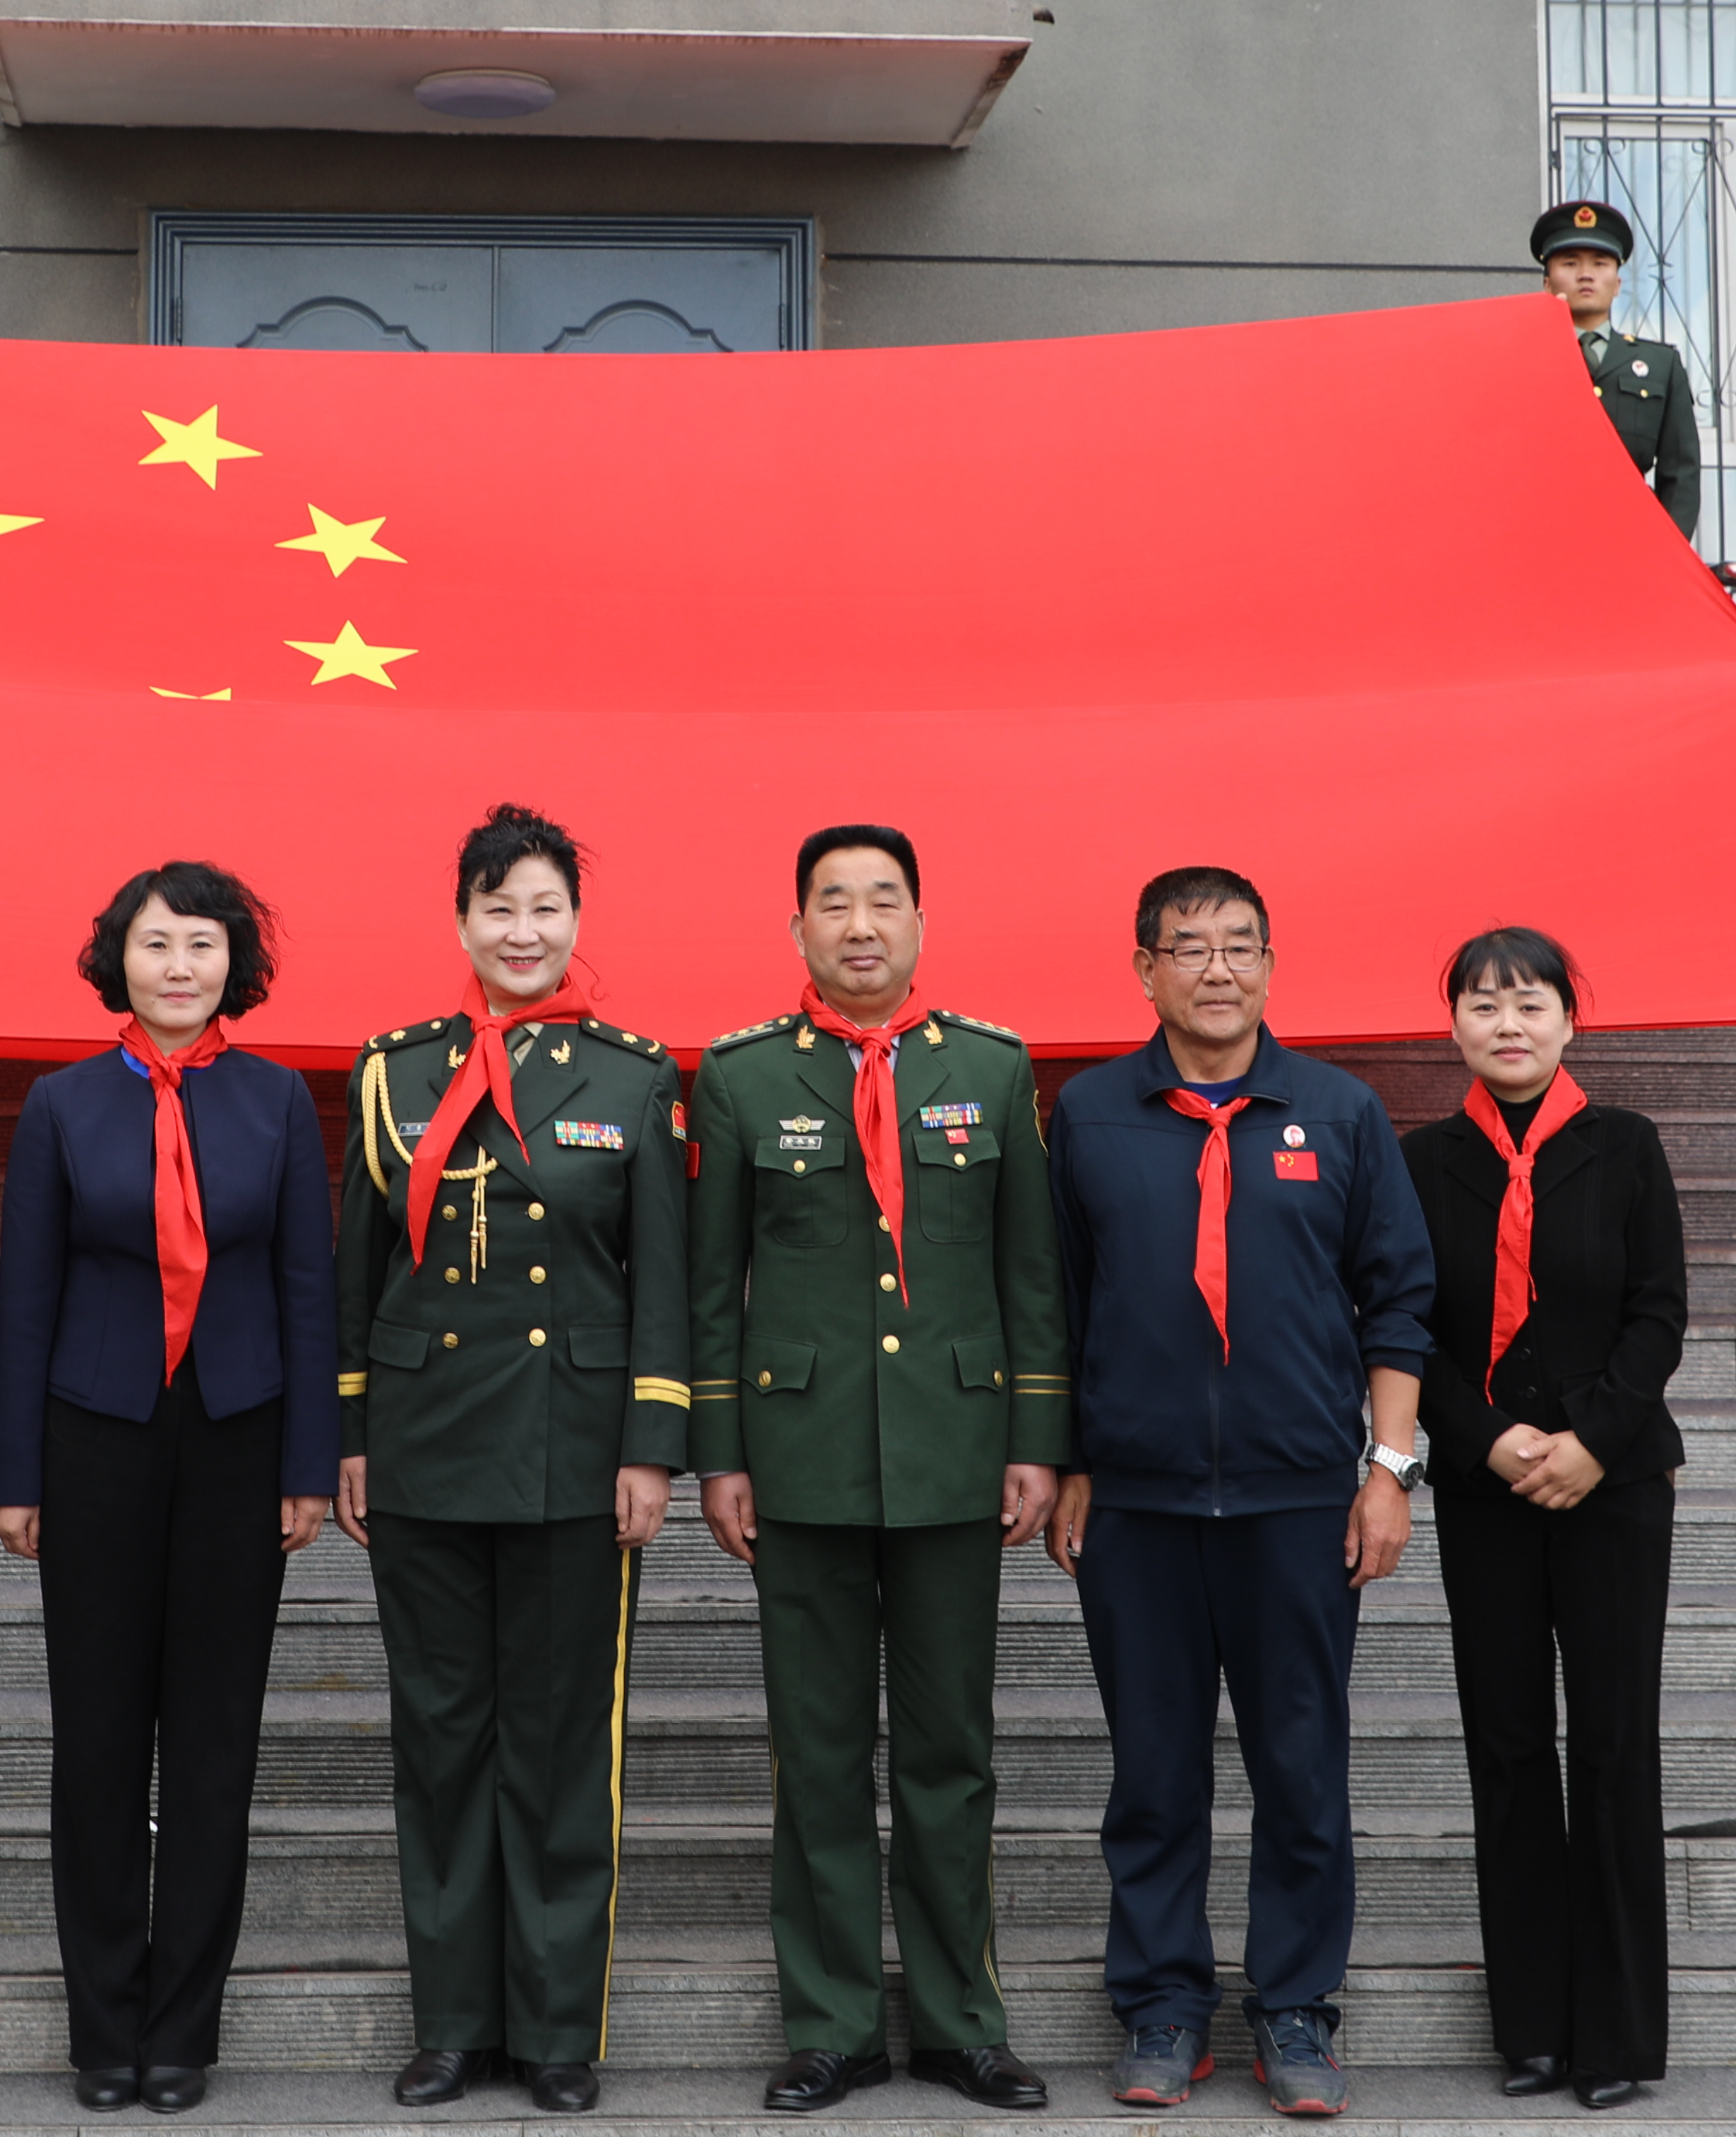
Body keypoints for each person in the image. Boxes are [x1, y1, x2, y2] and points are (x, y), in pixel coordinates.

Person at [686, 824, 1071, 2117]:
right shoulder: (739, 1078)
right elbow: (709, 1290)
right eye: (834, 904)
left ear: (921, 922)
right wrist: (720, 1455)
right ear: (795, 930)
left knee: (952, 1753)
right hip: (797, 1461)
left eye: (885, 902)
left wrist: (1034, 1439)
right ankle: (836, 2027)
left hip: (959, 1456)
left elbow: (1030, 1272)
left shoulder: (993, 1066)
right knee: (821, 1747)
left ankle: (964, 2023)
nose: (861, 925)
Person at [1043, 867, 1435, 2121]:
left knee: (1302, 1768)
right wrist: (1070, 1464)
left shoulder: (1341, 1111)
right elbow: (1058, 1301)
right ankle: (1162, 2006)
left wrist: (1386, 1472)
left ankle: (1296, 2009)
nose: (1217, 970)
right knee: (1154, 1771)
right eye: (1189, 948)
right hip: (1139, 1508)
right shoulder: (1093, 1114)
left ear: (1272, 965)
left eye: (1240, 947)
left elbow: (1401, 1302)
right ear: (1143, 967)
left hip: (1298, 1501)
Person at [337, 805, 690, 2117]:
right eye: (499, 910)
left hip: (572, 1452)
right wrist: (355, 1432)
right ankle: (452, 2026)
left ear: (576, 923)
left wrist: (655, 1445)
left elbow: (668, 1282)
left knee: (555, 1747)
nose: (523, 932)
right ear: (463, 924)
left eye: (544, 908)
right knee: (441, 1740)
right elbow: (355, 1273)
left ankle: (554, 2033)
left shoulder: (635, 1077)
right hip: (428, 1446)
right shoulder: (394, 1073)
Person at [0, 861, 339, 2114]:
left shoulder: (278, 1102)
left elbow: (310, 1291)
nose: (178, 966)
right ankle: (103, 2029)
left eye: (201, 945)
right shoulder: (63, 1106)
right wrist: (11, 1475)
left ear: (232, 964)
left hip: (240, 1442)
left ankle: (183, 2031)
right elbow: (24, 1300)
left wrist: (310, 1462)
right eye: (155, 944)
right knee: (94, 1745)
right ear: (116, 961)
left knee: (210, 1749)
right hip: (96, 1441)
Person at [1401, 928, 1684, 2115]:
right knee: (1508, 1748)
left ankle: (1616, 2034)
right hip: (1488, 1492)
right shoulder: (1423, 1161)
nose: (1508, 1023)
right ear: (1454, 1025)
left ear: (1572, 1019)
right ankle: (1532, 2026)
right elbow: (1403, 1321)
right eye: (1484, 1003)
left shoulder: (1626, 1147)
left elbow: (1658, 1313)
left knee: (1613, 1746)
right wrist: (1484, 1439)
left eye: (1531, 1003)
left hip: (1612, 1489)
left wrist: (1591, 1443)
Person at [1534, 200, 1699, 539]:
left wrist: (1669, 551)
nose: (1586, 274)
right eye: (1569, 263)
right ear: (1548, 284)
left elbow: (1681, 472)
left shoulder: (1660, 365)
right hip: (1542, 539)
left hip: (1629, 539)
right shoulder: (1526, 358)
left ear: (1618, 283)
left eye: (1600, 263)